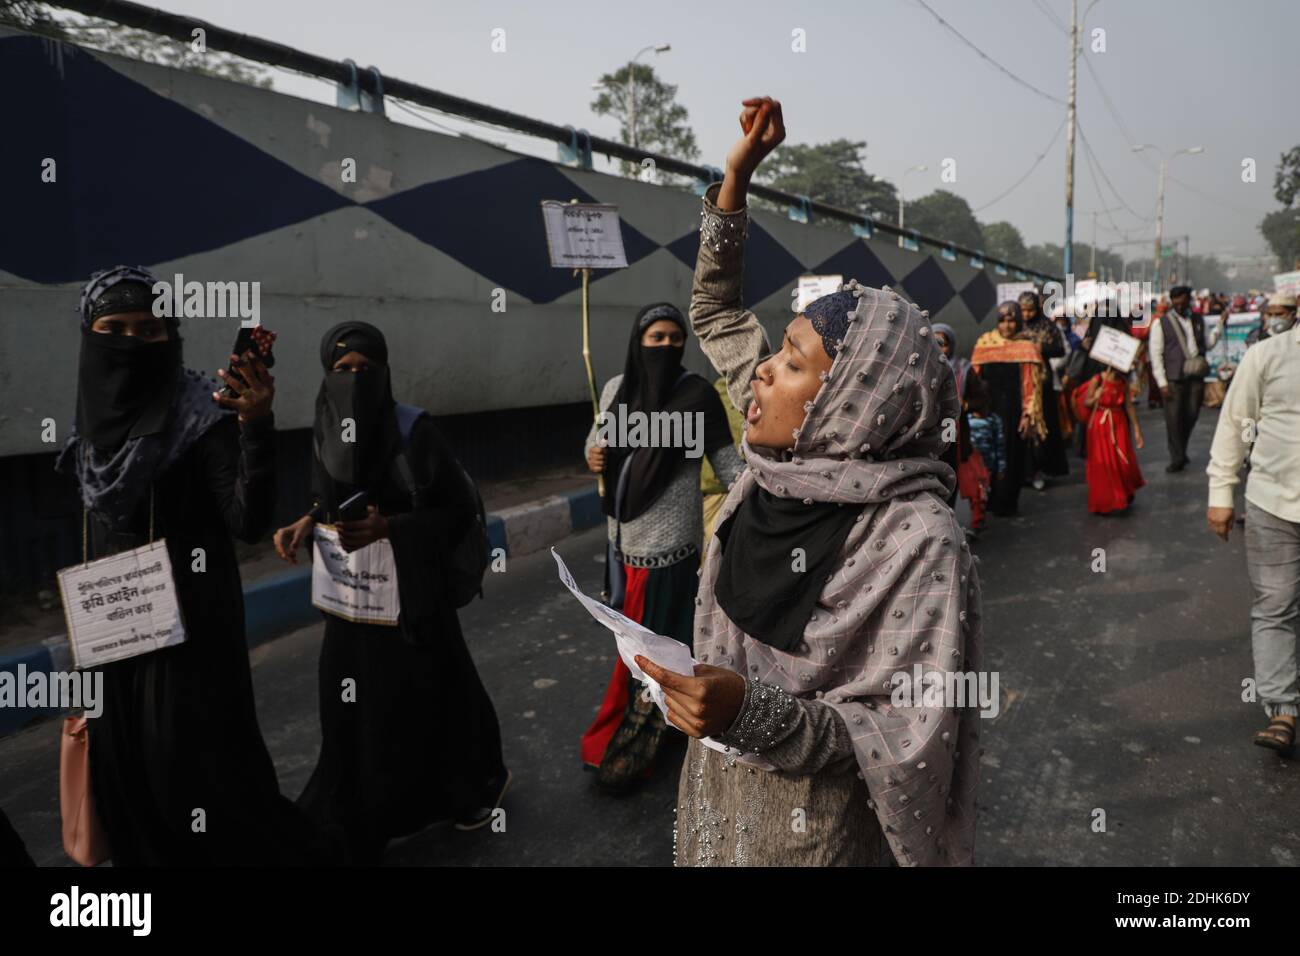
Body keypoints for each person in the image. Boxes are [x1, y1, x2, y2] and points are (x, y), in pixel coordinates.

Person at [638, 97, 982, 867]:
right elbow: (715, 309)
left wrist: (746, 712)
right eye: (778, 351)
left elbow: (897, 735)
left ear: (851, 403)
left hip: (815, 832)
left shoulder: (919, 540)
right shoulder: (783, 459)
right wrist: (737, 175)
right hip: (717, 793)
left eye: (793, 362)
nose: (760, 369)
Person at [55, 266, 333, 866]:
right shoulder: (91, 425)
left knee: (195, 777)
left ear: (171, 335)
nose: (131, 342)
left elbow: (248, 521)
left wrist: (255, 424)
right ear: (90, 334)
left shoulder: (201, 415)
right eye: (115, 327)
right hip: (110, 628)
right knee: (122, 772)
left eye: (149, 330)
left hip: (191, 634)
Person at [275, 321, 508, 863]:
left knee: (431, 697)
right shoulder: (323, 425)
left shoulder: (415, 430)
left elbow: (455, 512)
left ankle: (466, 790)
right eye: (342, 370)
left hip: (413, 602)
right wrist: (307, 521)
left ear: (384, 372)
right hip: (350, 601)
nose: (354, 380)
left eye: (365, 369)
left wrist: (391, 529)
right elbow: (325, 495)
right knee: (350, 704)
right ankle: (360, 809)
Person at [580, 303, 743, 789]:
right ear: (639, 342)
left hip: (669, 551)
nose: (667, 346)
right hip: (621, 543)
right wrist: (592, 455)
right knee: (634, 645)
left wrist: (768, 493)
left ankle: (631, 743)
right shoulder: (617, 390)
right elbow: (594, 444)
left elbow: (729, 465)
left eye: (675, 338)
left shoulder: (695, 396)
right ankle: (672, 725)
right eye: (657, 338)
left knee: (647, 652)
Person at [1206, 297, 1300, 753]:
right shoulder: (1268, 355)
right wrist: (1221, 493)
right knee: (1275, 606)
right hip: (1273, 502)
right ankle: (1283, 709)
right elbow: (1235, 423)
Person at [972, 303, 1047, 517]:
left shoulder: (1027, 346)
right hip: (987, 413)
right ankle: (986, 501)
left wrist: (1028, 414)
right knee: (987, 455)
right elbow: (975, 380)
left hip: (1014, 412)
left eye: (1012, 320)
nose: (1007, 325)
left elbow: (1031, 384)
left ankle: (1008, 501)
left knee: (1013, 455)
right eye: (1003, 320)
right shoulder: (984, 343)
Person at [932, 323, 991, 532]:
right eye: (935, 342)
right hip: (927, 435)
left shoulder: (963, 368)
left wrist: (964, 404)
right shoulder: (921, 365)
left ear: (952, 345)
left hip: (954, 432)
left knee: (951, 475)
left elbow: (981, 399)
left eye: (944, 344)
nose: (940, 348)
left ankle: (951, 525)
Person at [1150, 285, 1208, 472]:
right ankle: (1177, 457)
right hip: (1174, 378)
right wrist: (1162, 382)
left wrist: (1220, 327)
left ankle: (1181, 449)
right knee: (1174, 419)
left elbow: (1207, 343)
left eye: (1184, 301)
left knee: (1191, 415)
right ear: (1172, 301)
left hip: (1195, 376)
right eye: (1177, 301)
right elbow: (1156, 354)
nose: (1181, 305)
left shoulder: (1198, 321)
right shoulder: (1161, 323)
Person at [1073, 365, 1145, 515]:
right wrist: (1095, 397)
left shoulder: (1123, 382)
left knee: (1123, 459)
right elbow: (1087, 402)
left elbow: (1129, 406)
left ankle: (1124, 491)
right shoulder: (1097, 379)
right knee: (1104, 463)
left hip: (1119, 424)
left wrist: (1137, 429)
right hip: (1100, 425)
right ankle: (1106, 500)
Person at [1017, 290, 1068, 486]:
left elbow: (1060, 349)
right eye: (1023, 310)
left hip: (1041, 383)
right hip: (1020, 381)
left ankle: (1040, 468)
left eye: (1030, 310)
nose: (1026, 314)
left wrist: (1041, 349)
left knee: (1041, 426)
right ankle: (1024, 470)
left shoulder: (1048, 326)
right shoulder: (1015, 325)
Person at [964, 391, 1002, 533]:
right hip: (972, 465)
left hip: (987, 465)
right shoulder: (966, 420)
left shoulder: (994, 420)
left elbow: (1000, 444)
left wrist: (1001, 467)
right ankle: (976, 521)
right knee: (976, 494)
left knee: (982, 493)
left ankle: (978, 519)